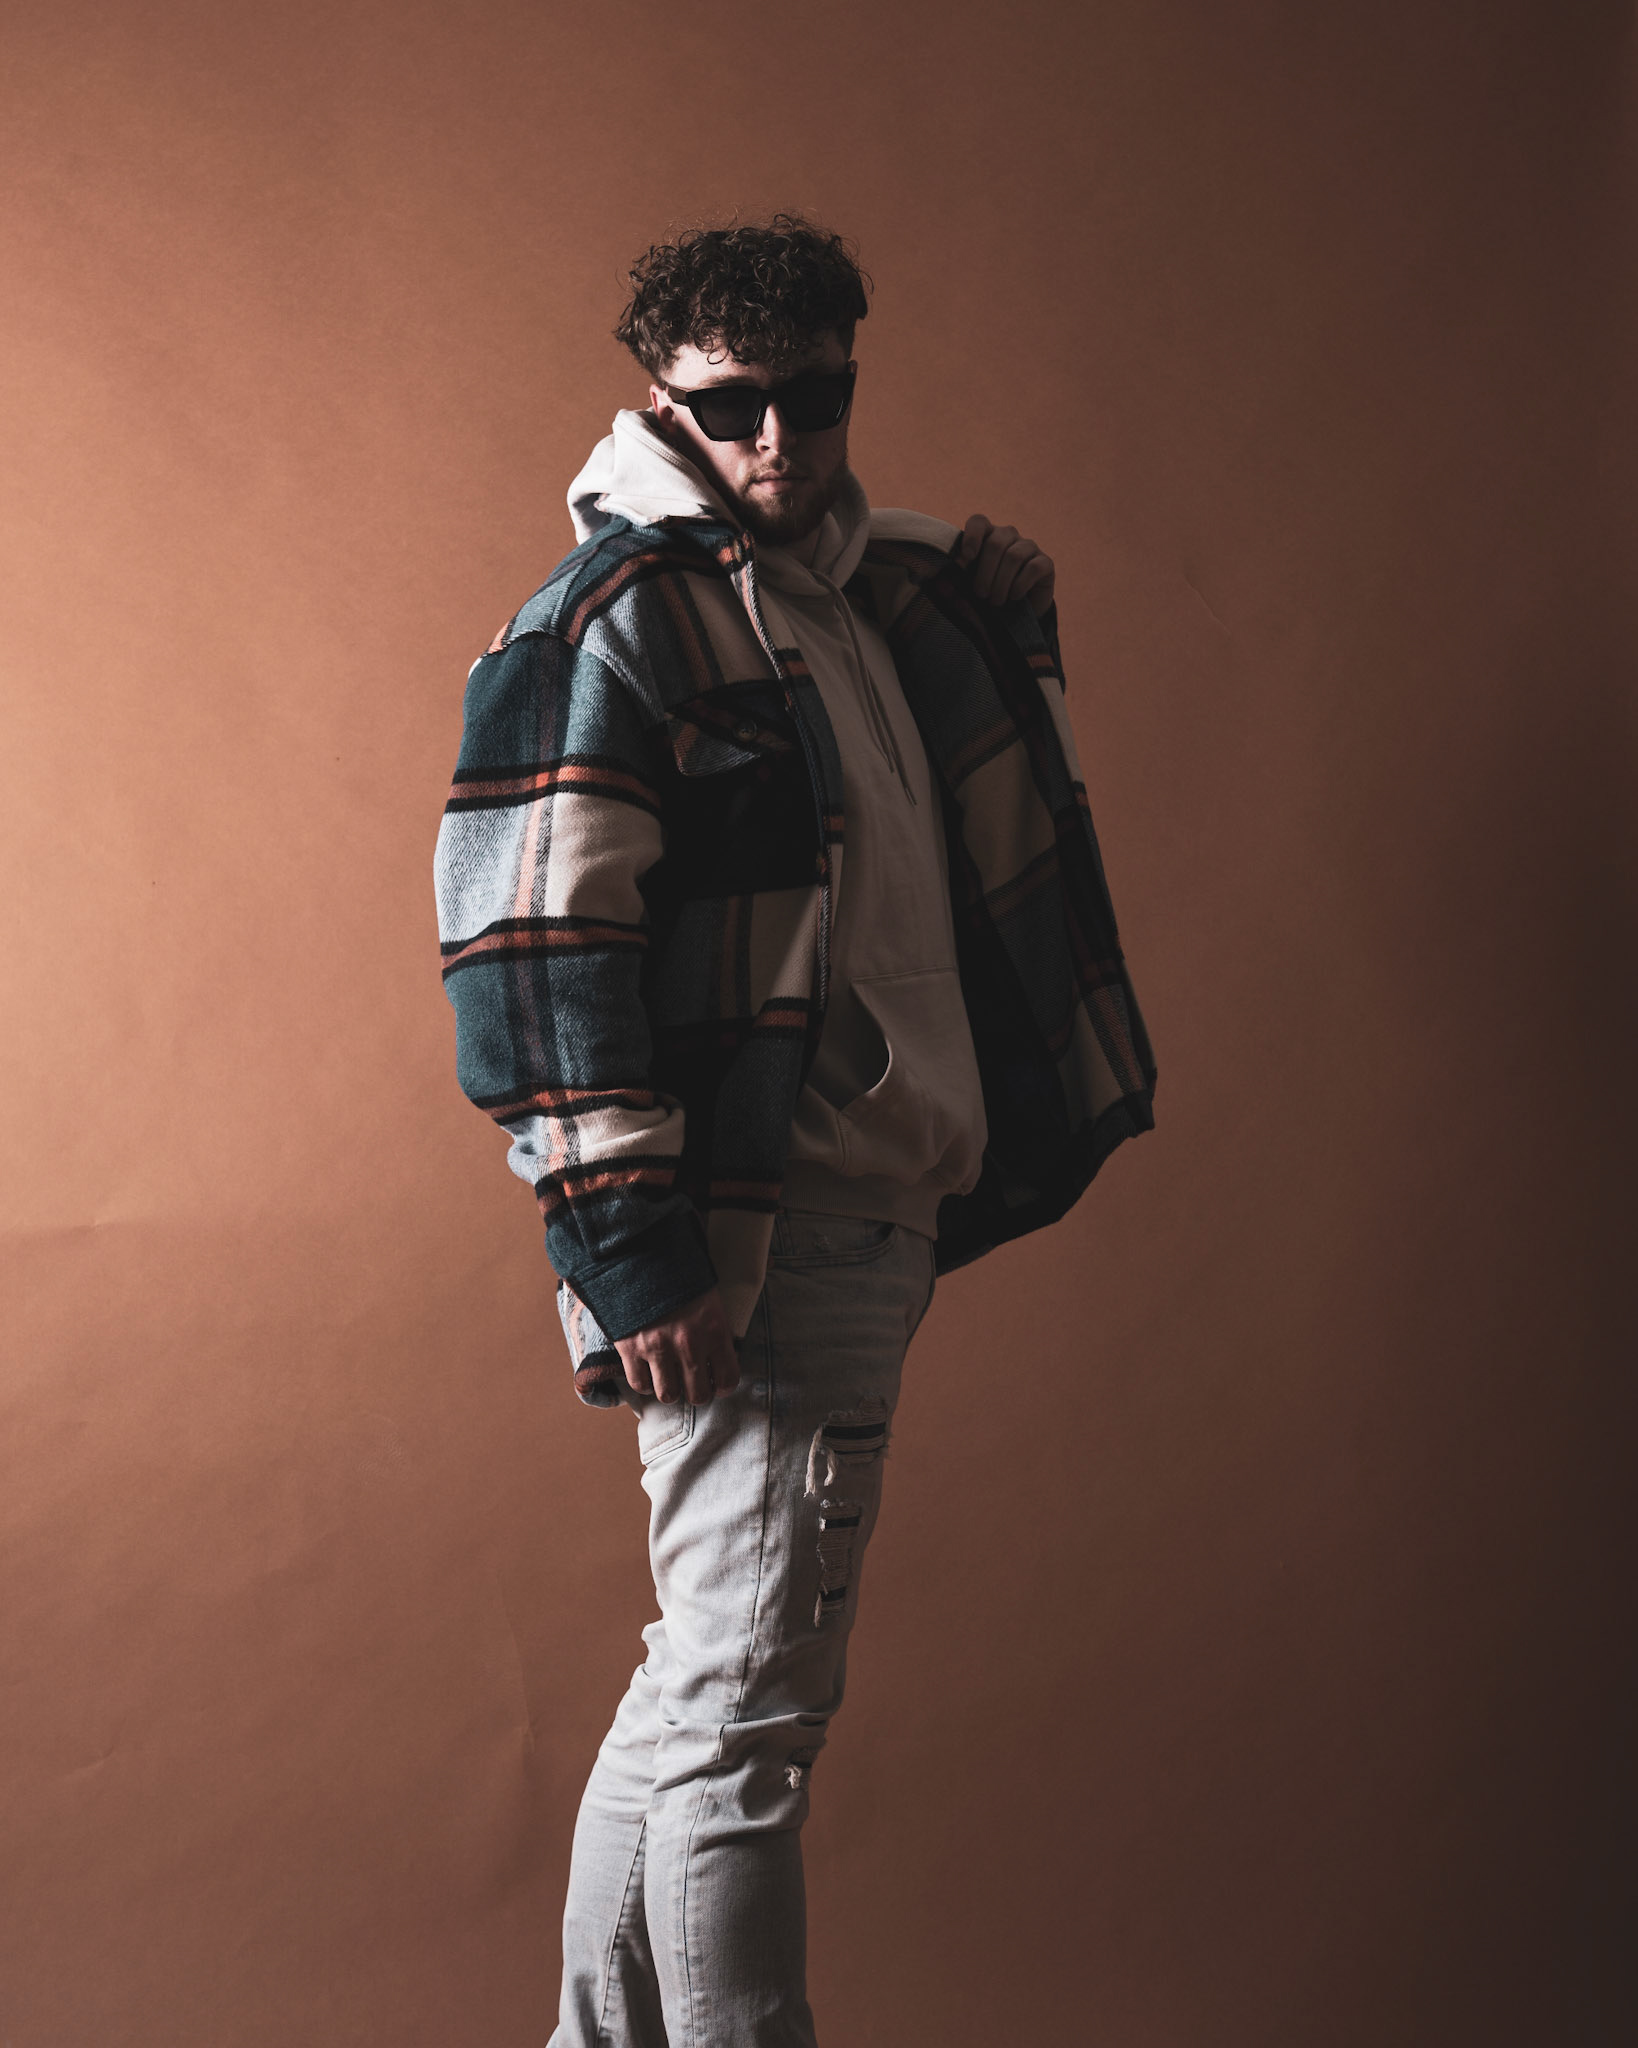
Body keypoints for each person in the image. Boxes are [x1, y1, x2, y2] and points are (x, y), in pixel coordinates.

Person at [433, 213, 1155, 2048]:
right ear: (655, 399)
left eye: (812, 397)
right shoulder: (612, 618)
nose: (775, 440)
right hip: (754, 1233)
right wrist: (632, 1245)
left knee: (701, 1690)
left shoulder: (861, 596)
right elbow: (531, 949)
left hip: (863, 1208)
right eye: (730, 404)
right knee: (746, 1722)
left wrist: (1004, 611)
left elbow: (971, 833)